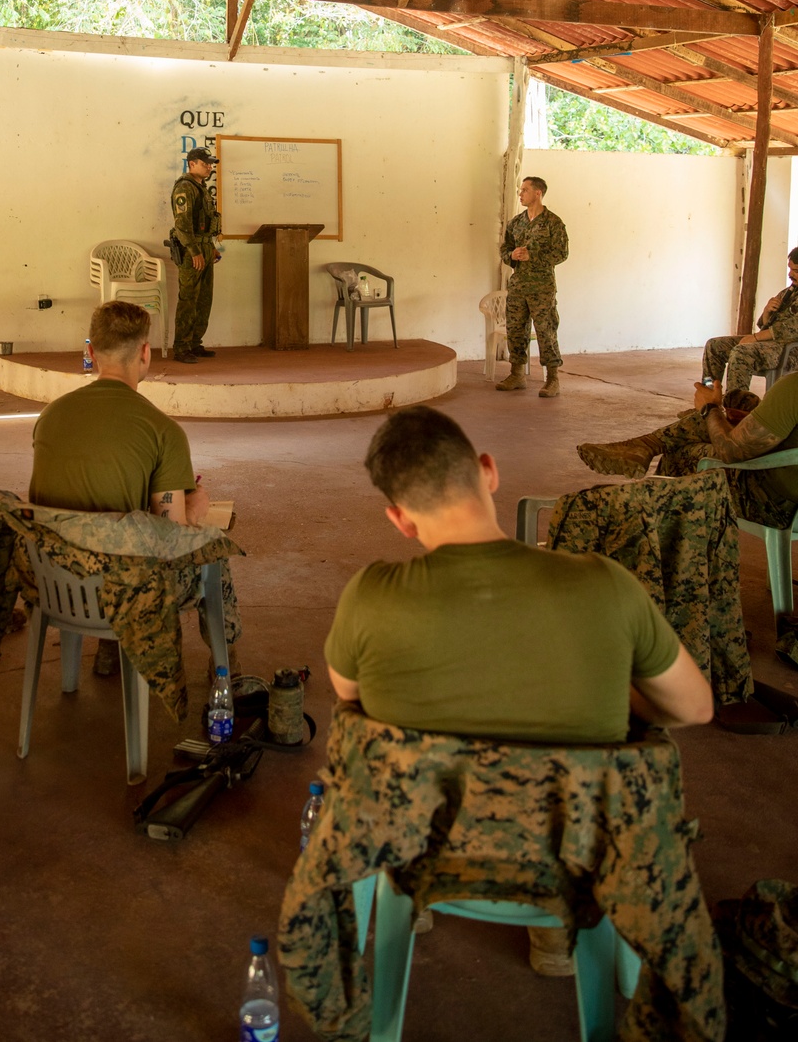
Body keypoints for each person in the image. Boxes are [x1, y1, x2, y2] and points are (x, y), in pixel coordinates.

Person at [324, 406, 712, 978]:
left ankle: (415, 891)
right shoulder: (605, 584)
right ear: (489, 470)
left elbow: (350, 695)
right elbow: (694, 707)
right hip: (573, 853)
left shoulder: (371, 595)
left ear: (399, 520)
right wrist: (604, 685)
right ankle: (553, 927)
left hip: (426, 844)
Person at [29, 299, 238, 675]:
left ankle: (111, 648)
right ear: (145, 353)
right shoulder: (163, 431)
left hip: (58, 587)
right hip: (125, 592)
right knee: (213, 550)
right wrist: (194, 508)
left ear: (90, 352)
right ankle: (229, 669)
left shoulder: (49, 417)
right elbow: (168, 541)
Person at [577, 388, 761, 479]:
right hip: (774, 449)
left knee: (679, 449)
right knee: (740, 399)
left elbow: (731, 449)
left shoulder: (789, 390)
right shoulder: (789, 387)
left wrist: (710, 410)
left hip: (762, 481)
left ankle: (645, 446)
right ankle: (645, 446)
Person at [497, 175, 569, 399]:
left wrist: (533, 255)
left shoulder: (553, 223)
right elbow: (504, 248)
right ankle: (517, 374)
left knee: (546, 331)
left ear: (538, 193)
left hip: (542, 287)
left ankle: (552, 379)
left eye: (525, 190)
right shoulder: (517, 222)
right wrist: (512, 255)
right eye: (520, 190)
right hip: (519, 285)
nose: (520, 194)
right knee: (516, 329)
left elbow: (562, 253)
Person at [702, 247, 798, 392]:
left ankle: (735, 408)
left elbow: (791, 329)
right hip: (770, 345)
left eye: (796, 271)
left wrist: (755, 337)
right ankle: (708, 396)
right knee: (714, 346)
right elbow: (766, 325)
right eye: (790, 269)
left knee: (741, 352)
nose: (790, 274)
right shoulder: (789, 292)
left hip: (790, 351)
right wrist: (767, 312)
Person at [170, 146, 221, 365]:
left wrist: (211, 246)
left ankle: (194, 343)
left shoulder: (202, 187)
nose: (209, 167)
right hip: (194, 252)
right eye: (205, 163)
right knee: (189, 299)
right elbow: (182, 225)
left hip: (205, 248)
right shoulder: (185, 188)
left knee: (204, 299)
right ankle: (181, 346)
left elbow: (205, 223)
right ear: (192, 164)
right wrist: (194, 251)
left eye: (210, 163)